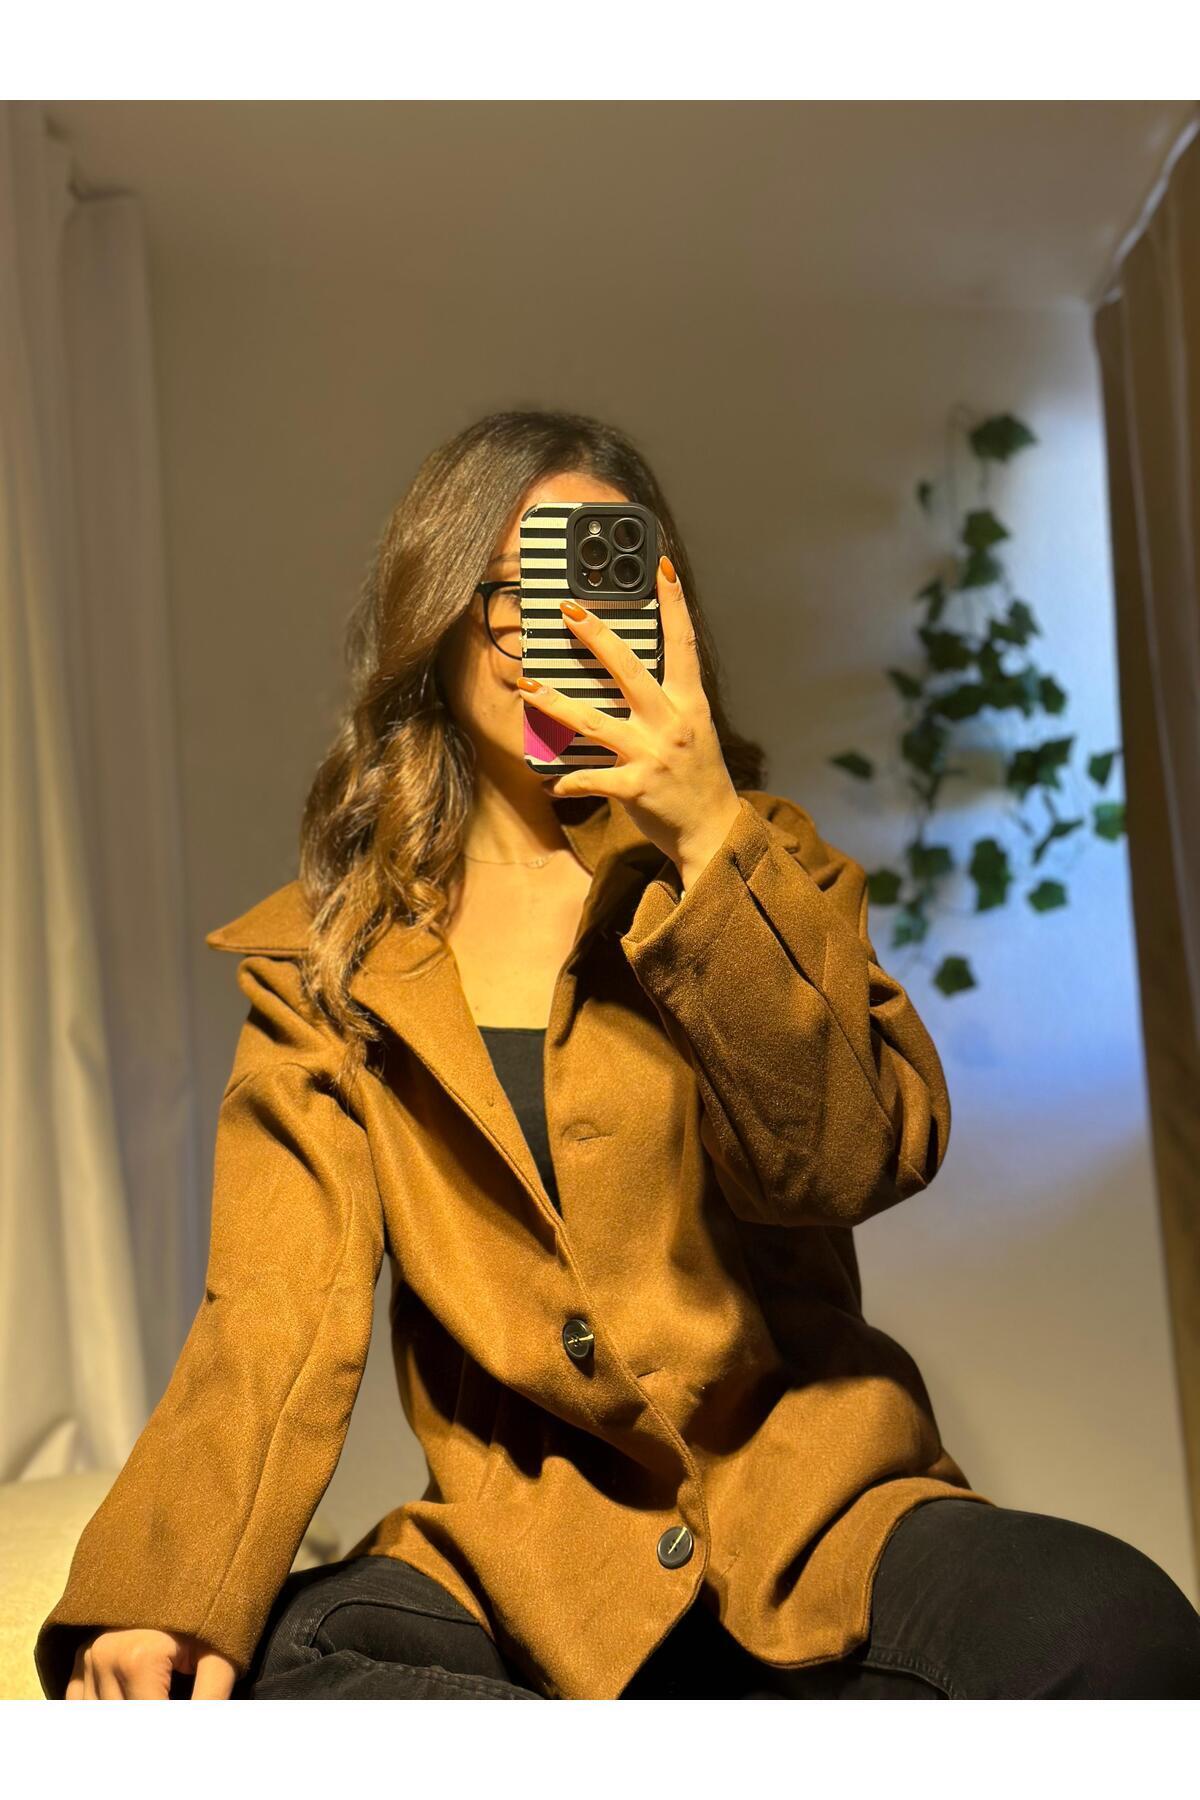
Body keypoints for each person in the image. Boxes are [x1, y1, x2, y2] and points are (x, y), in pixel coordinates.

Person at [38, 409, 1200, 1701]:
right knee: (286, 1662)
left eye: (602, 589)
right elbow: (273, 1311)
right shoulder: (332, 966)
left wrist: (707, 836)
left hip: (816, 1515)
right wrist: (163, 1593)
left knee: (1119, 1634)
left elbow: (849, 1162)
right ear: (440, 617)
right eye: (520, 593)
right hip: (517, 1559)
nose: (565, 630)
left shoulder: (764, 865)